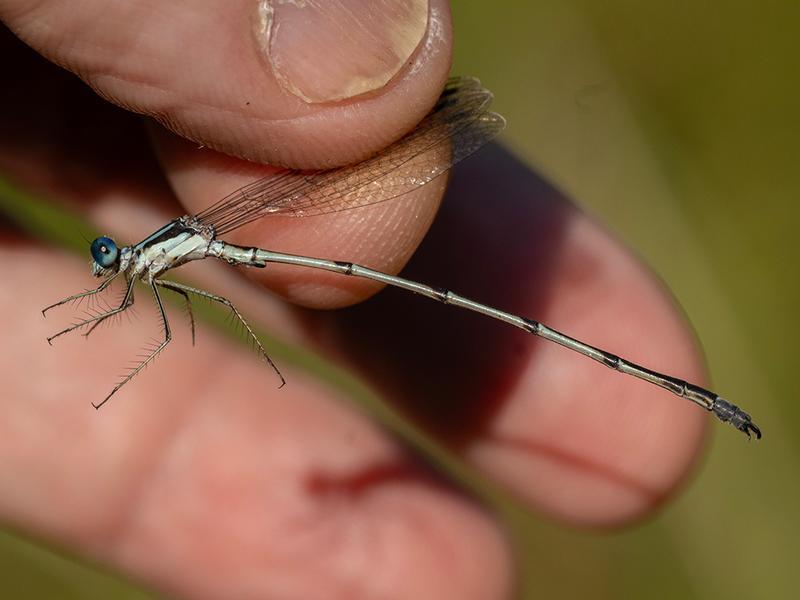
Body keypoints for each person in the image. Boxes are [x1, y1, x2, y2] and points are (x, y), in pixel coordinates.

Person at [0, 1, 706, 597]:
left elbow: (156, 335)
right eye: (106, 259)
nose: (110, 266)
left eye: (109, 259)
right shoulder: (138, 270)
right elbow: (153, 308)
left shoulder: (150, 262)